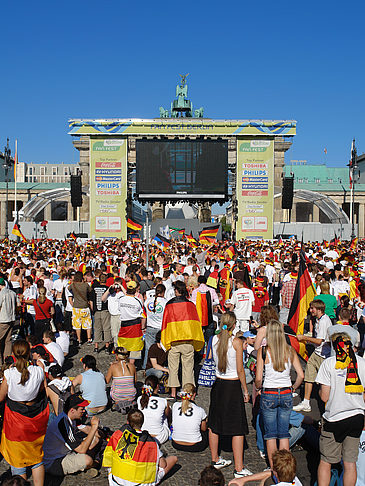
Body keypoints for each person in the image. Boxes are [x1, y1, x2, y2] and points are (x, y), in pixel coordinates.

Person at [316, 325, 365, 486]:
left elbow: (324, 396)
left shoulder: (329, 364)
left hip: (335, 417)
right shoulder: (362, 363)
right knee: (350, 462)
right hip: (357, 417)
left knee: (326, 461)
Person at [255, 320, 304, 468]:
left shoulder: (263, 351)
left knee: (270, 435)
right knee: (283, 433)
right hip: (286, 392)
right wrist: (293, 387)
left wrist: (259, 388)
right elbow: (301, 375)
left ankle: (273, 468)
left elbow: (258, 378)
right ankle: (285, 468)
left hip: (269, 391)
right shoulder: (289, 350)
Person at [208, 312, 251, 479]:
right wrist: (245, 390)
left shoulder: (214, 339)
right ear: (234, 325)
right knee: (237, 428)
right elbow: (240, 369)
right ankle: (239, 468)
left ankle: (215, 459)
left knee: (214, 422)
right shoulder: (236, 342)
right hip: (232, 385)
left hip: (218, 383)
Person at [0, 340, 49, 486]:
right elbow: (42, 390)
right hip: (35, 418)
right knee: (37, 458)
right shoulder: (38, 370)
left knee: (18, 459)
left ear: (13, 355)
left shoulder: (9, 374)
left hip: (16, 420)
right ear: (29, 353)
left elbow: (1, 397)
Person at [102, 408, 178, 486]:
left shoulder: (118, 435)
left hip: (116, 481)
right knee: (173, 459)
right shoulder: (150, 441)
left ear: (127, 421)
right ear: (142, 423)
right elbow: (163, 465)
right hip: (139, 483)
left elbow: (109, 455)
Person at [161, 280, 204, 399]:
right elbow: (195, 323)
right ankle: (188, 393)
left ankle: (173, 393)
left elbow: (165, 323)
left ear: (176, 290)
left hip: (174, 340)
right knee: (188, 369)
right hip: (188, 340)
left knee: (173, 368)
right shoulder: (190, 305)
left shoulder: (169, 304)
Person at [43, 394, 101, 478]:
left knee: (95, 440)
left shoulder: (71, 416)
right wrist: (94, 428)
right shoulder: (62, 424)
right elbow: (81, 450)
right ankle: (95, 463)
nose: (84, 411)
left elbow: (85, 429)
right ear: (72, 410)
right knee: (87, 460)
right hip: (55, 462)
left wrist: (98, 432)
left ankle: (85, 466)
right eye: (82, 409)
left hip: (66, 451)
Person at [294, 300, 332, 413]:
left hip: (324, 356)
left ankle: (328, 407)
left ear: (319, 310)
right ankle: (306, 402)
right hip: (317, 353)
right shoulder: (318, 320)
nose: (310, 311)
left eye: (312, 308)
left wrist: (304, 338)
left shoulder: (325, 321)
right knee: (309, 377)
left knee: (324, 382)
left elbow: (320, 341)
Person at [227, 450, 303, 486]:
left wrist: (263, 482)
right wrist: (243, 479)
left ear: (275, 472)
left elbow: (269, 474)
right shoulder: (296, 481)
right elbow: (269, 473)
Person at [171, 383, 208, 452]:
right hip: (195, 446)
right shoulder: (200, 410)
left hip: (176, 443)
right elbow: (203, 429)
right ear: (194, 394)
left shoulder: (175, 405)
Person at [137, 375, 170, 444]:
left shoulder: (139, 399)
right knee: (164, 416)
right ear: (157, 386)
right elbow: (168, 415)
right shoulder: (163, 401)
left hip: (142, 436)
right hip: (159, 437)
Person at [143, 284, 167, 369]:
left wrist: (143, 327)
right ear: (163, 292)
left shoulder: (147, 301)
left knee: (148, 349)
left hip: (150, 326)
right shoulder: (165, 302)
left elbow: (144, 314)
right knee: (162, 348)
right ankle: (160, 365)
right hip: (161, 328)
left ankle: (146, 366)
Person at [105, 346, 136, 412]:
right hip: (131, 395)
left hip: (118, 396)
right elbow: (134, 382)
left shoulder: (113, 367)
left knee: (109, 388)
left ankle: (118, 403)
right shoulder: (132, 366)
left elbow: (107, 381)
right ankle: (128, 402)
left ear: (117, 356)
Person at [68, 271, 93, 346]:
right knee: (88, 323)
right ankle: (89, 339)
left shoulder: (73, 285)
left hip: (76, 307)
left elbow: (68, 288)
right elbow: (90, 290)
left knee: (77, 325)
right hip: (85, 306)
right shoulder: (85, 285)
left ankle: (79, 340)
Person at [91, 272, 112, 354]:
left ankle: (96, 347)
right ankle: (107, 346)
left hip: (96, 310)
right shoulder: (107, 288)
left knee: (97, 329)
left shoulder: (94, 289)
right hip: (105, 310)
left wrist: (93, 310)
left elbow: (91, 301)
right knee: (106, 328)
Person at [0, 277, 17, 365]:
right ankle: (8, 362)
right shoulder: (13, 293)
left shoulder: (1, 293)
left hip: (3, 320)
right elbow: (18, 305)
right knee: (8, 341)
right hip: (11, 319)